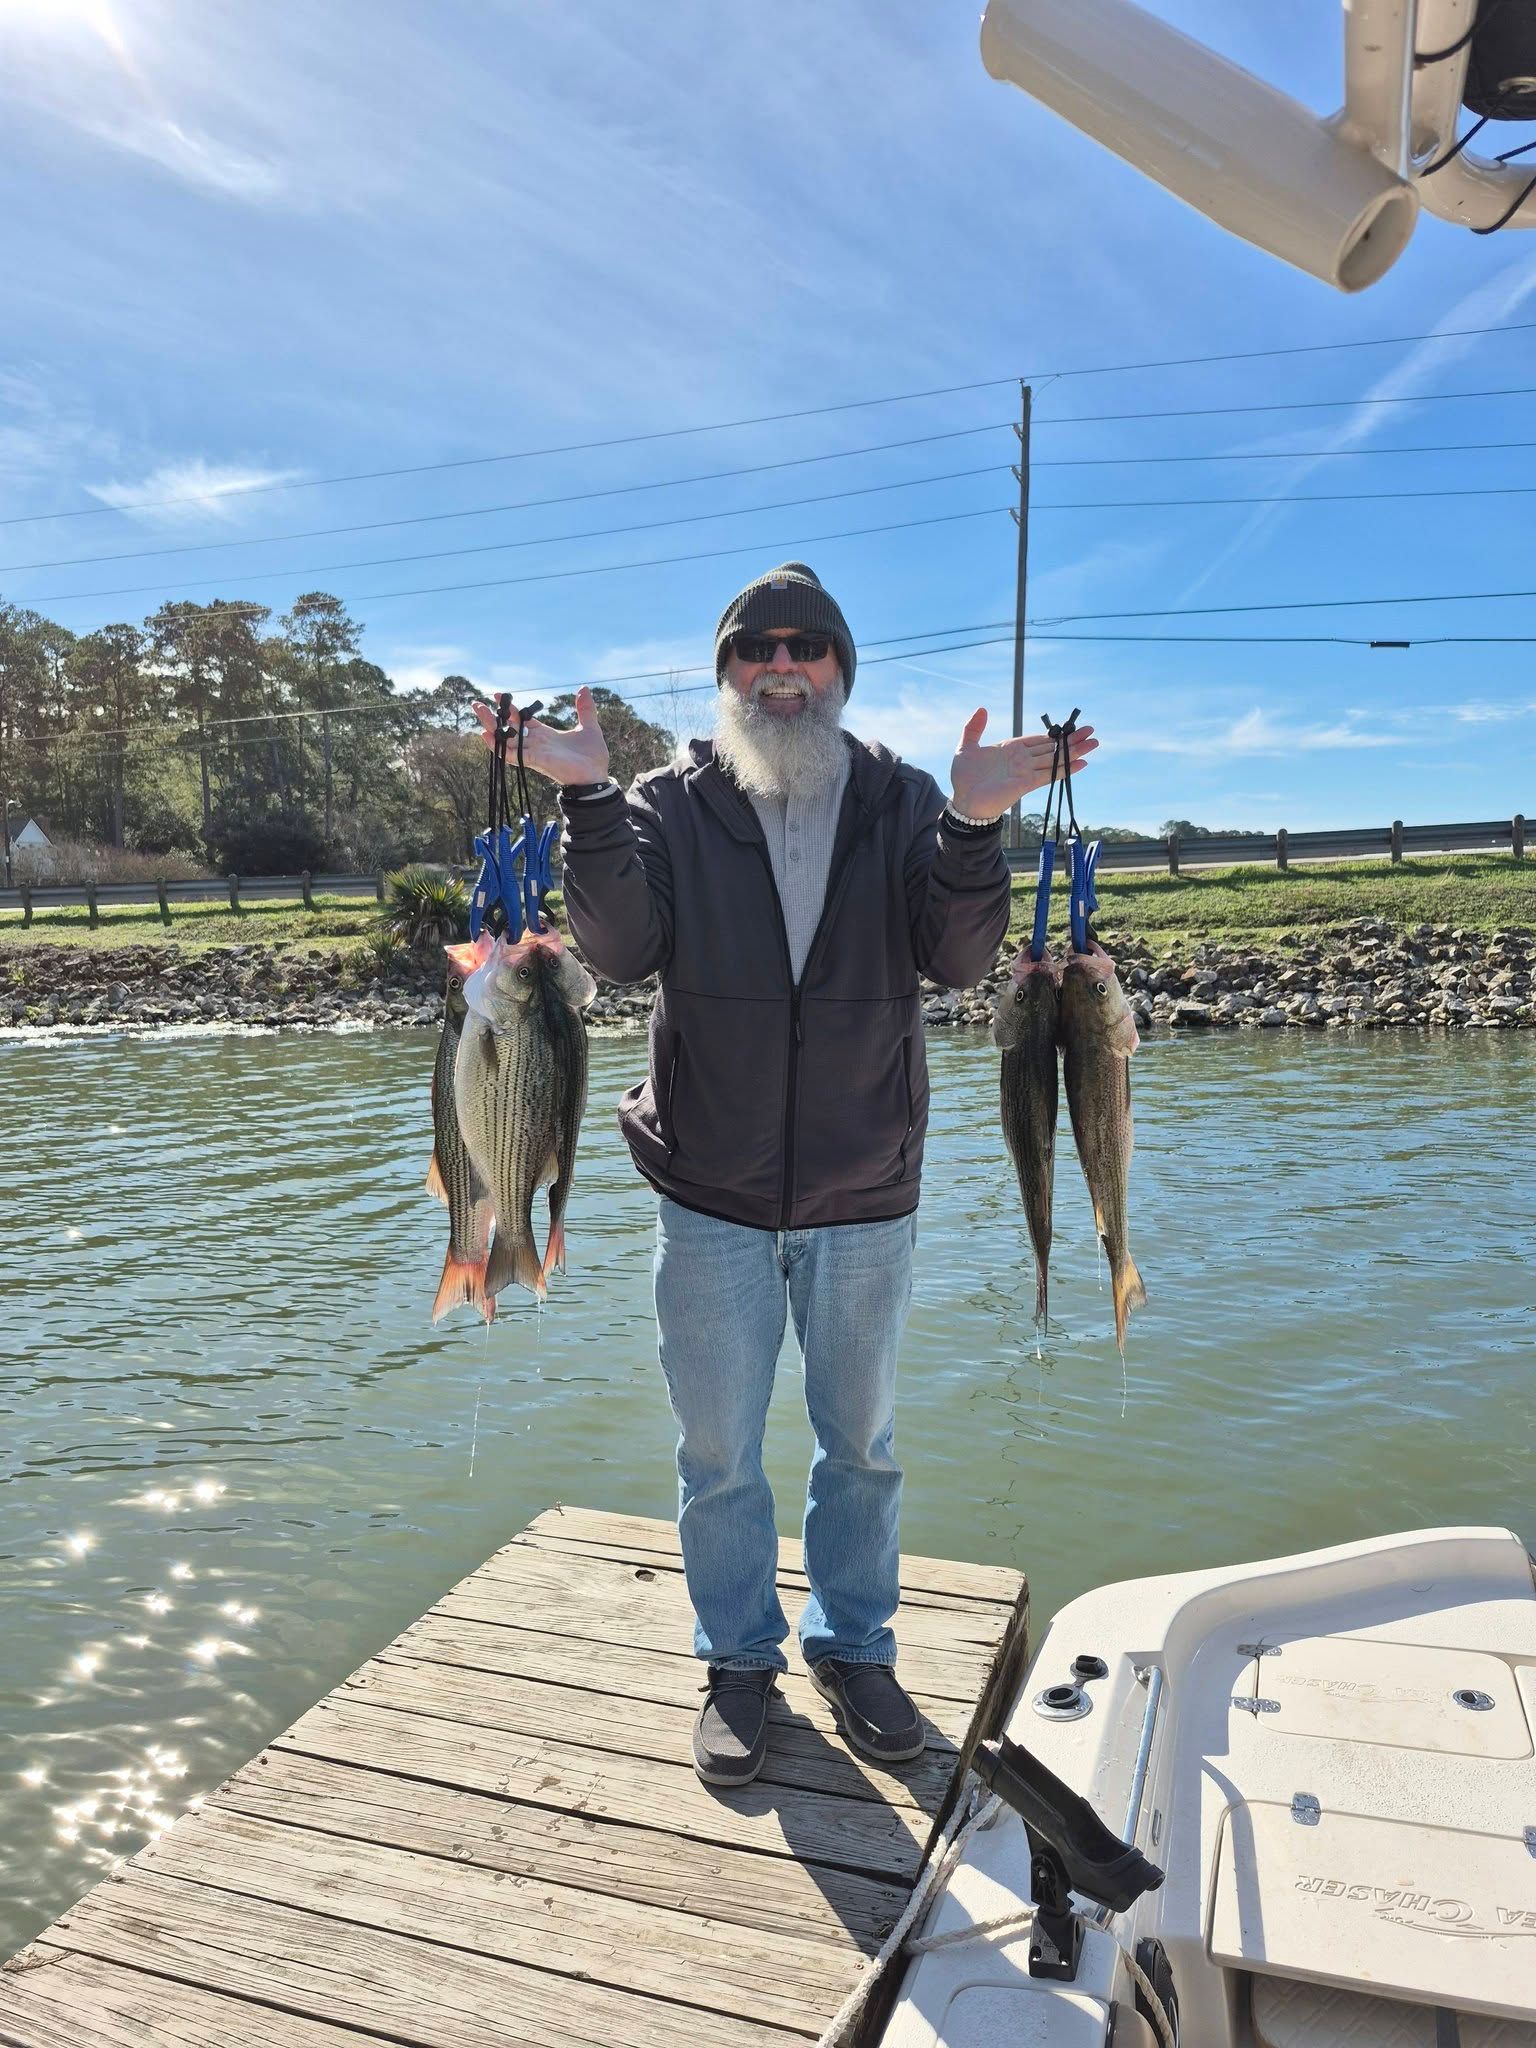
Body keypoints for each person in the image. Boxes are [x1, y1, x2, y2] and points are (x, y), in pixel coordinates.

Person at [475, 562, 1094, 1787]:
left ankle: (855, 1647)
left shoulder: (907, 798)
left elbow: (958, 959)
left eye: (808, 647)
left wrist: (975, 824)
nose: (782, 667)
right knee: (717, 1452)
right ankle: (739, 1660)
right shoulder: (664, 801)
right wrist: (587, 796)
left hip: (867, 1192)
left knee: (861, 1444)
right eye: (756, 648)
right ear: (726, 673)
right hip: (710, 1191)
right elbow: (622, 947)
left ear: (840, 669)